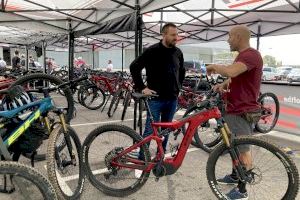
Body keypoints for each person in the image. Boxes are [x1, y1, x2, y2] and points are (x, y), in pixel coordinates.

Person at [206, 25, 263, 199]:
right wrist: (223, 84)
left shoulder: (251, 54)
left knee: (243, 150)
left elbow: (232, 70)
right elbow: (235, 76)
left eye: (229, 36)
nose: (228, 39)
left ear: (238, 37)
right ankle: (234, 175)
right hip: (234, 108)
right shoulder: (243, 56)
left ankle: (242, 189)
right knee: (233, 146)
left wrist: (214, 66)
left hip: (242, 110)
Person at [130, 22, 186, 177]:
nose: (176, 37)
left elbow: (182, 71)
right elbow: (134, 67)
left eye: (177, 34)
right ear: (164, 35)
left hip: (172, 99)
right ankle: (142, 162)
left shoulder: (178, 52)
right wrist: (142, 88)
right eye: (173, 35)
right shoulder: (152, 51)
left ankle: (160, 157)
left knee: (166, 131)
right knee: (149, 131)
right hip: (155, 99)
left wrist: (178, 87)